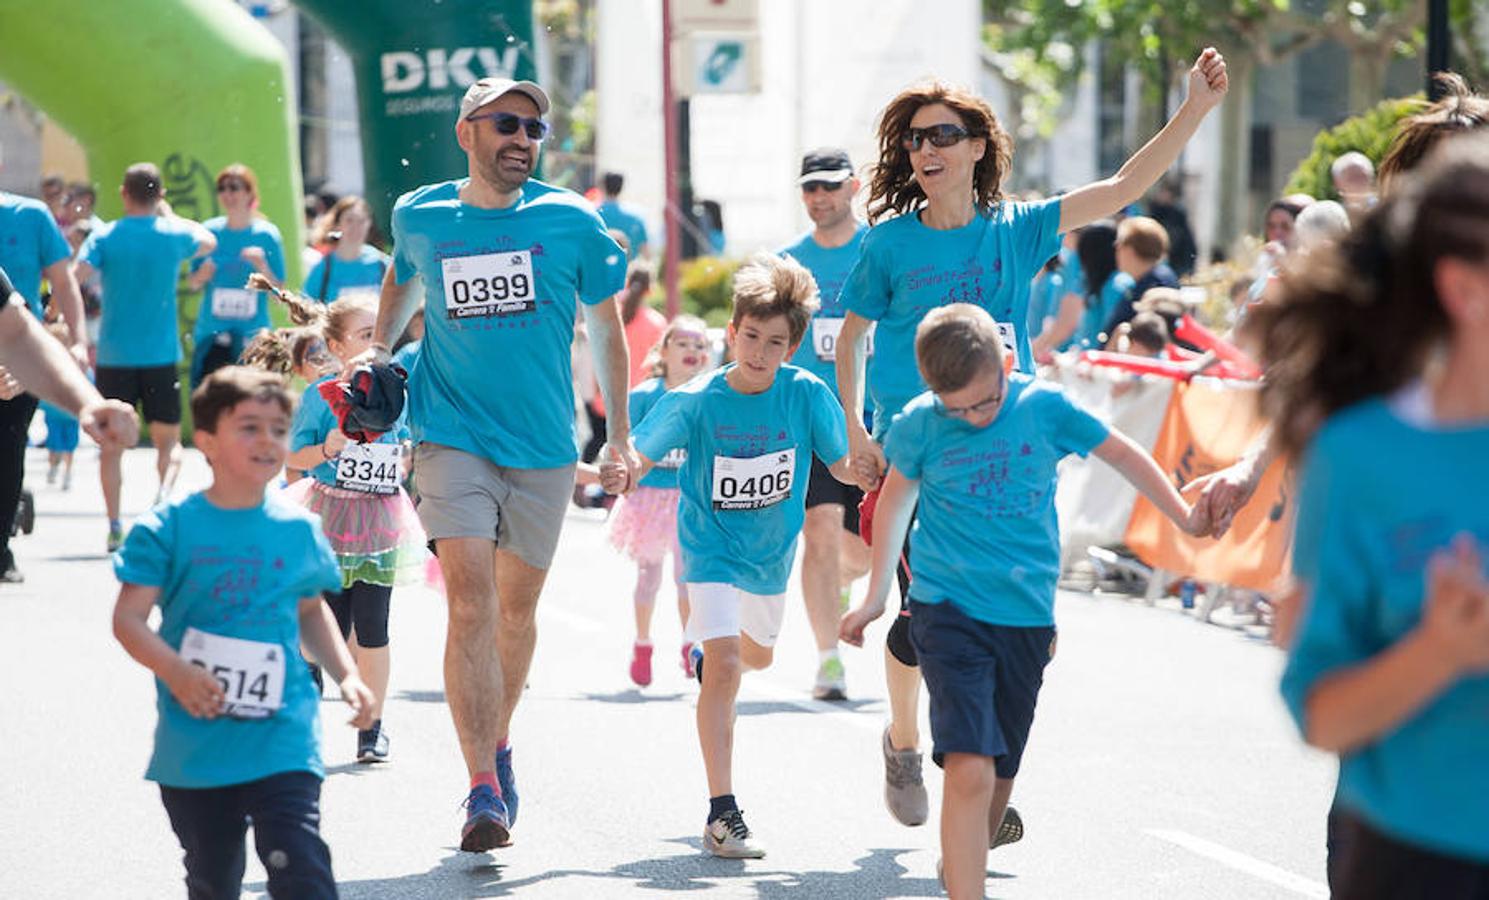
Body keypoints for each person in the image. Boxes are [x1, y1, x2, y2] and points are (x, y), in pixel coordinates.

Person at [834, 48, 1227, 833]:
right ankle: (921, 749)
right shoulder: (888, 245)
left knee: (1019, 626)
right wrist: (853, 430)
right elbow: (849, 341)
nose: (926, 151)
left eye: (943, 135)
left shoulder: (1015, 228)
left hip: (1007, 446)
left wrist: (1193, 110)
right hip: (918, 452)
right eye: (914, 140)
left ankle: (975, 765)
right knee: (924, 618)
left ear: (978, 146)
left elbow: (1121, 190)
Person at [343, 77, 634, 852]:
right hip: (449, 432)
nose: (522, 138)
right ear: (466, 132)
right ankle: (479, 787)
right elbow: (404, 274)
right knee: (467, 600)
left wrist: (619, 436)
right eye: (506, 123)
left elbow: (607, 333)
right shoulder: (422, 213)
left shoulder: (571, 221)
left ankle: (498, 740)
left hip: (542, 443)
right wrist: (380, 344)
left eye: (534, 128)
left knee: (514, 611)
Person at [841, 303, 1207, 898]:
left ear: (1008, 364)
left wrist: (1185, 517)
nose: (973, 417)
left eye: (984, 402)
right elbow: (894, 502)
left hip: (1026, 617)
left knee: (1000, 770)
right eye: (956, 408)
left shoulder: (1044, 408)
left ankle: (962, 861)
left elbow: (1121, 454)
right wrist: (876, 595)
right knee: (970, 762)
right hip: (947, 609)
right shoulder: (919, 423)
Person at [1253, 134, 1489, 898]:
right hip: (1417, 860)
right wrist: (1441, 652)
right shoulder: (1360, 456)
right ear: (1464, 289)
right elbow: (1322, 716)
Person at [600, 252, 859, 858]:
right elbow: (641, 453)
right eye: (750, 337)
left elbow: (843, 464)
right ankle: (723, 813)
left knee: (757, 660)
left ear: (792, 347)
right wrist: (624, 469)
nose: (760, 352)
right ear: (732, 332)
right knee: (723, 666)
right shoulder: (698, 399)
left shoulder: (806, 393)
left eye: (774, 342)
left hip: (770, 559)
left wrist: (869, 471)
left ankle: (710, 655)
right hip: (709, 549)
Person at [111, 365, 375, 900]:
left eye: (279, 429)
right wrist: (178, 672)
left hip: (283, 735)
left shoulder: (300, 527)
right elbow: (128, 620)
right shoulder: (168, 527)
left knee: (302, 868)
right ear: (205, 439)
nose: (268, 440)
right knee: (214, 877)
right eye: (249, 427)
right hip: (197, 742)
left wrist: (347, 675)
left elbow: (309, 610)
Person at [74, 162, 216, 552]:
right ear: (161, 195)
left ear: (123, 193)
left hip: (115, 354)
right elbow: (208, 241)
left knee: (111, 444)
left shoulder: (106, 235)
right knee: (168, 440)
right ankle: (160, 500)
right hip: (159, 354)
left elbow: (79, 274)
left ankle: (115, 524)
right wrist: (167, 214)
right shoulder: (172, 233)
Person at [780, 147, 873, 700]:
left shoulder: (881, 250)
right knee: (818, 535)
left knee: (864, 549)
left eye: (830, 186)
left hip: (875, 422)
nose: (820, 197)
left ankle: (843, 580)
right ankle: (827, 658)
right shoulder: (789, 263)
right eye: (811, 188)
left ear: (854, 187)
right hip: (811, 425)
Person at [0, 150, 91, 581]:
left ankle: (1, 549)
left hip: (19, 359)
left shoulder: (29, 215)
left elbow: (62, 282)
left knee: (8, 447)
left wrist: (77, 343)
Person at [607, 314, 709, 686]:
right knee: (649, 576)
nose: (692, 350)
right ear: (663, 350)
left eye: (700, 345)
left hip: (690, 499)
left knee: (688, 578)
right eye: (682, 343)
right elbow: (622, 442)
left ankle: (689, 643)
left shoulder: (709, 394)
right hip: (650, 497)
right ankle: (643, 643)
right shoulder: (643, 396)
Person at [186, 164, 287, 388]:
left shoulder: (266, 235)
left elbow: (279, 294)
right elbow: (192, 284)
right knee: (211, 405)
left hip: (252, 338)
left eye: (234, 187)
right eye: (222, 188)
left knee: (254, 401)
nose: (227, 194)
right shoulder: (208, 232)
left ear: (250, 193)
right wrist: (202, 274)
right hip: (213, 336)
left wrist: (262, 266)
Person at [303, 196, 390, 302]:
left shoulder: (383, 264)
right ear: (337, 225)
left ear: (369, 224)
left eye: (361, 221)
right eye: (349, 220)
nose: (355, 227)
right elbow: (306, 310)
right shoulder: (323, 268)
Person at [1101, 215, 1179, 335]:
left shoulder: (1157, 283)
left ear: (1130, 249)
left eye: (1119, 243)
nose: (1116, 248)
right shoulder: (1150, 279)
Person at [40, 321, 81, 490]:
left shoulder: (77, 364)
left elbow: (87, 383)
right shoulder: (46, 364)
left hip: (72, 415)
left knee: (70, 446)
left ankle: (68, 472)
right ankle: (53, 466)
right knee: (54, 444)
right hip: (54, 414)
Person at [596, 172, 649, 260]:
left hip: (600, 270)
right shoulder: (636, 217)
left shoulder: (594, 214)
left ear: (603, 187)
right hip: (628, 269)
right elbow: (646, 253)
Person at [1330, 151, 1377, 216]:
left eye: (1362, 176)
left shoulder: (1387, 212)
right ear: (1337, 183)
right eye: (1352, 177)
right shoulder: (1333, 216)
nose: (1358, 183)